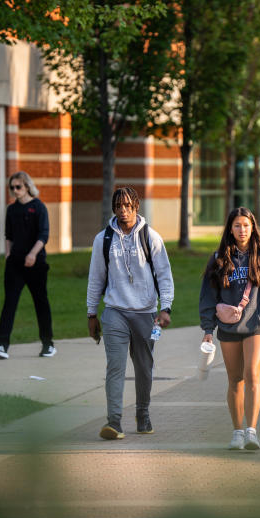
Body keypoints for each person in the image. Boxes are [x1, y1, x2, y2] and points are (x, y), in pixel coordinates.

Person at [199, 207, 260, 451]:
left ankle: (251, 431)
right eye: (236, 225)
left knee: (252, 374)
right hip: (228, 328)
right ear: (230, 229)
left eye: (245, 225)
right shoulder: (219, 259)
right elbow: (208, 296)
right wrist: (208, 328)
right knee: (235, 380)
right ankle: (237, 432)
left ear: (253, 227)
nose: (241, 230)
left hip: (257, 325)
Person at [86, 186, 174, 440]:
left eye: (128, 206)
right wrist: (92, 313)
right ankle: (114, 422)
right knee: (115, 367)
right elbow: (96, 278)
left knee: (145, 368)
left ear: (137, 207)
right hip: (115, 312)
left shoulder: (151, 237)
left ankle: (142, 414)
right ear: (113, 209)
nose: (123, 211)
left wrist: (165, 308)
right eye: (118, 206)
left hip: (146, 314)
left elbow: (164, 276)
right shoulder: (103, 239)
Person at [0, 171, 55, 359]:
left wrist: (32, 254)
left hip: (36, 264)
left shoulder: (39, 208)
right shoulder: (12, 210)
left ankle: (48, 344)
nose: (15, 190)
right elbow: (9, 235)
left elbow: (44, 235)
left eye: (19, 187)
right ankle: (1, 345)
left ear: (27, 187)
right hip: (15, 264)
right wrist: (8, 253)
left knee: (41, 303)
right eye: (12, 187)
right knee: (9, 303)